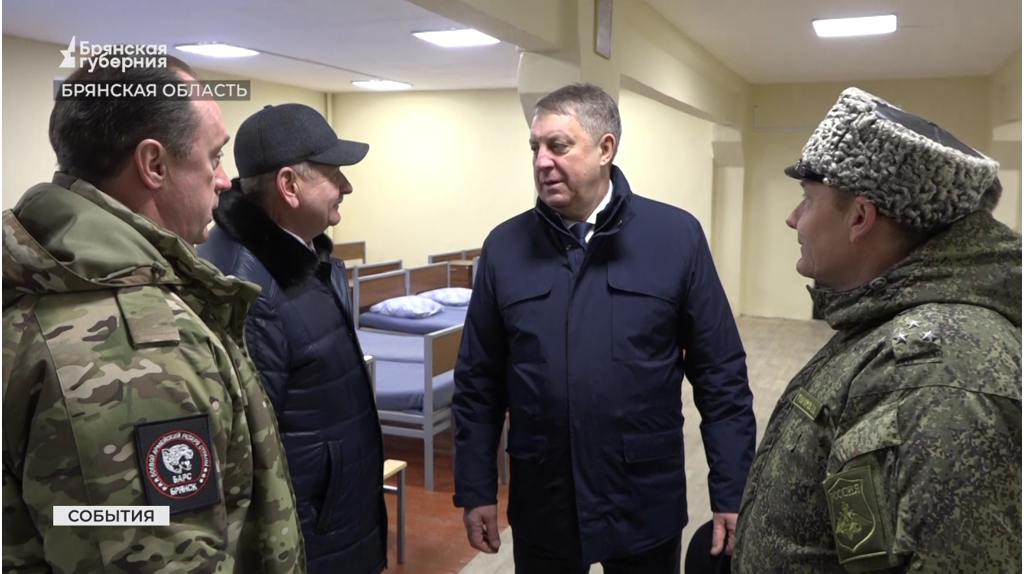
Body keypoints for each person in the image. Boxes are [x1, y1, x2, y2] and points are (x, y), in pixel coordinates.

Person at [2, 57, 304, 572]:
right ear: (154, 165)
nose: (224, 180)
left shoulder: (46, 275)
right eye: (214, 157)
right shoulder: (132, 347)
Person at [452, 83, 756, 573]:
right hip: (544, 500)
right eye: (535, 147)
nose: (542, 161)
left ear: (605, 148)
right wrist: (476, 488)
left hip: (642, 498)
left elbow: (720, 374)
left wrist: (733, 489)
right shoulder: (505, 248)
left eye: (558, 145)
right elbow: (478, 382)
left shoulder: (675, 237)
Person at [732, 87, 1022, 572]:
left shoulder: (938, 376)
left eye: (807, 200)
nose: (792, 218)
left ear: (861, 217)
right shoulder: (887, 321)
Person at [197, 103, 387, 574]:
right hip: (307, 541)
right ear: (289, 185)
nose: (347, 186)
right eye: (334, 174)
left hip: (335, 521)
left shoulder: (302, 256)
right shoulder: (248, 290)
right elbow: (248, 459)